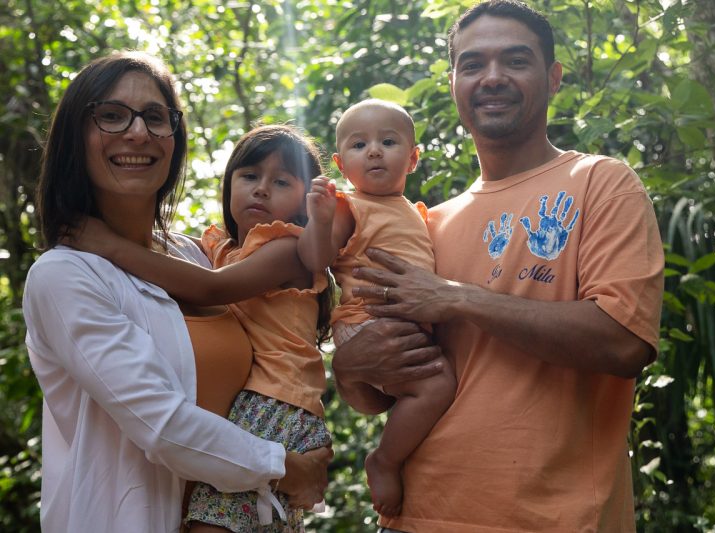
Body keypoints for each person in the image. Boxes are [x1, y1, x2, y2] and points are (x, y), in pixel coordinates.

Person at [331, 1, 665, 532]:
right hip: (417, 515)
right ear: (454, 84)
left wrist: (457, 297)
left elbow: (624, 343)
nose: (492, 77)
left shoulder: (601, 183)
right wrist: (348, 370)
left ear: (553, 78)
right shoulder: (425, 225)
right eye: (472, 64)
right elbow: (381, 393)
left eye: (515, 60)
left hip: (555, 520)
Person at [23, 51, 331, 533]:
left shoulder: (197, 256)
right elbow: (161, 425)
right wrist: (288, 468)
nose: (138, 132)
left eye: (155, 116)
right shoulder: (64, 275)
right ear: (73, 138)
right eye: (111, 115)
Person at [297, 99, 457, 517]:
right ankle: (385, 460)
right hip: (367, 323)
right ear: (340, 164)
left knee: (425, 388)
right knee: (436, 385)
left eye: (388, 142)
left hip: (395, 326)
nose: (373, 151)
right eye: (358, 144)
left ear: (413, 159)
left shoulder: (415, 213)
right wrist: (319, 220)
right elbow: (316, 260)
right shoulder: (350, 207)